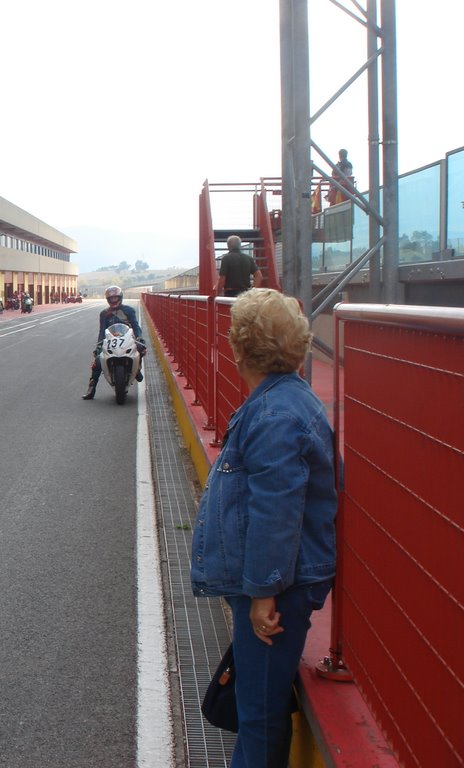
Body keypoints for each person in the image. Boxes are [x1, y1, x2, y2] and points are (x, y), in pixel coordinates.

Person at [190, 288, 337, 767]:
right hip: (280, 582)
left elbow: (276, 512)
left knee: (258, 716)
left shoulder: (274, 414)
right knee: (260, 708)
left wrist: (263, 595)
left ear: (239, 347)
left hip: (279, 589)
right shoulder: (288, 399)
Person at [81, 285, 145, 400]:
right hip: (110, 341)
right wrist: (99, 345)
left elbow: (136, 326)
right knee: (97, 362)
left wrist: (139, 337)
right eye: (111, 299)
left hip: (127, 339)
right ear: (108, 300)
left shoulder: (129, 310)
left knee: (141, 349)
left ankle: (136, 370)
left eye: (115, 298)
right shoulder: (104, 314)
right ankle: (91, 388)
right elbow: (102, 331)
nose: (113, 301)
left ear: (120, 297)